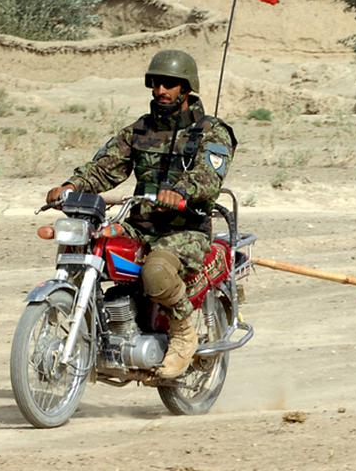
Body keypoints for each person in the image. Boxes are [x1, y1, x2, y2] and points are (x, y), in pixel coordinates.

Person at [45, 49, 237, 379]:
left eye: (169, 84)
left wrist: (180, 192)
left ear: (186, 89)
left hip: (184, 229)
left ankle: (183, 334)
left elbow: (208, 177)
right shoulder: (139, 130)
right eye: (155, 83)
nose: (160, 90)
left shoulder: (211, 132)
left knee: (158, 271)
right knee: (89, 245)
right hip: (139, 224)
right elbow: (104, 168)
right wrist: (70, 185)